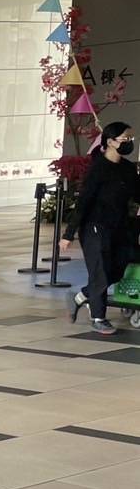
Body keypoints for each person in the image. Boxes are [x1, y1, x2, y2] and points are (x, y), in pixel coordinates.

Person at [61, 120, 139, 336]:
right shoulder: (98, 169)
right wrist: (68, 234)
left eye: (130, 138)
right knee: (100, 272)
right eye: (125, 138)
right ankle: (98, 317)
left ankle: (80, 297)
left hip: (119, 227)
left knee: (117, 269)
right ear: (111, 142)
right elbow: (84, 202)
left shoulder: (128, 169)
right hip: (95, 227)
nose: (129, 142)